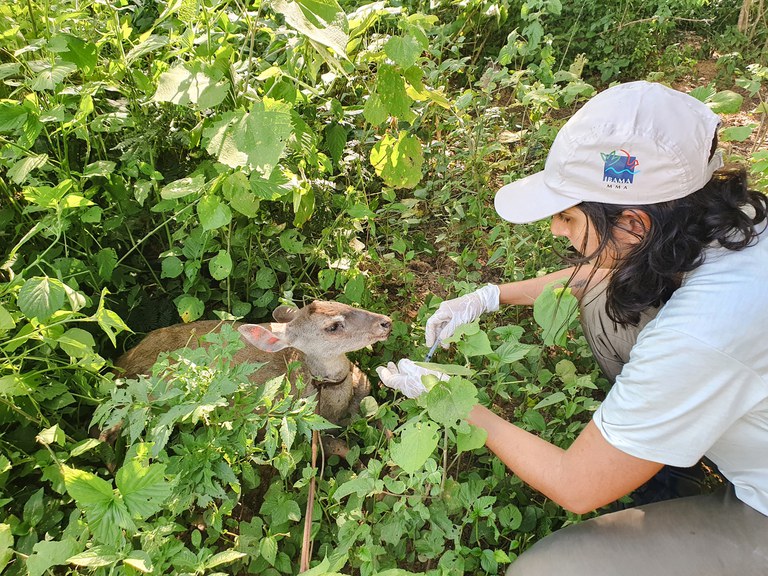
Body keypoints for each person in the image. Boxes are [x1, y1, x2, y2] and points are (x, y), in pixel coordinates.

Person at [376, 81, 768, 575]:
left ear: (632, 225)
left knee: (547, 571)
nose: (557, 230)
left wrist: (453, 399)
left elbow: (575, 485)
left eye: (567, 216)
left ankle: (660, 463)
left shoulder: (702, 333)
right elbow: (609, 269)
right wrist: (490, 296)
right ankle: (665, 461)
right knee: (607, 298)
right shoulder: (739, 222)